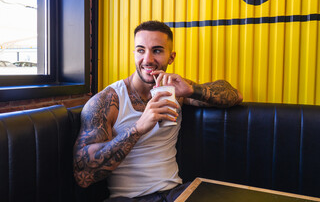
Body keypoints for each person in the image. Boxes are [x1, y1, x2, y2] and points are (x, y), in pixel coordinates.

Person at [73, 21, 243, 201]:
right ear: (134, 54)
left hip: (174, 193)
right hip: (127, 198)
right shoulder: (106, 100)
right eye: (141, 50)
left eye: (157, 50)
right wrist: (137, 129)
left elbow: (235, 95)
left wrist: (193, 91)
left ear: (171, 57)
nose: (147, 59)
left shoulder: (176, 90)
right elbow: (83, 176)